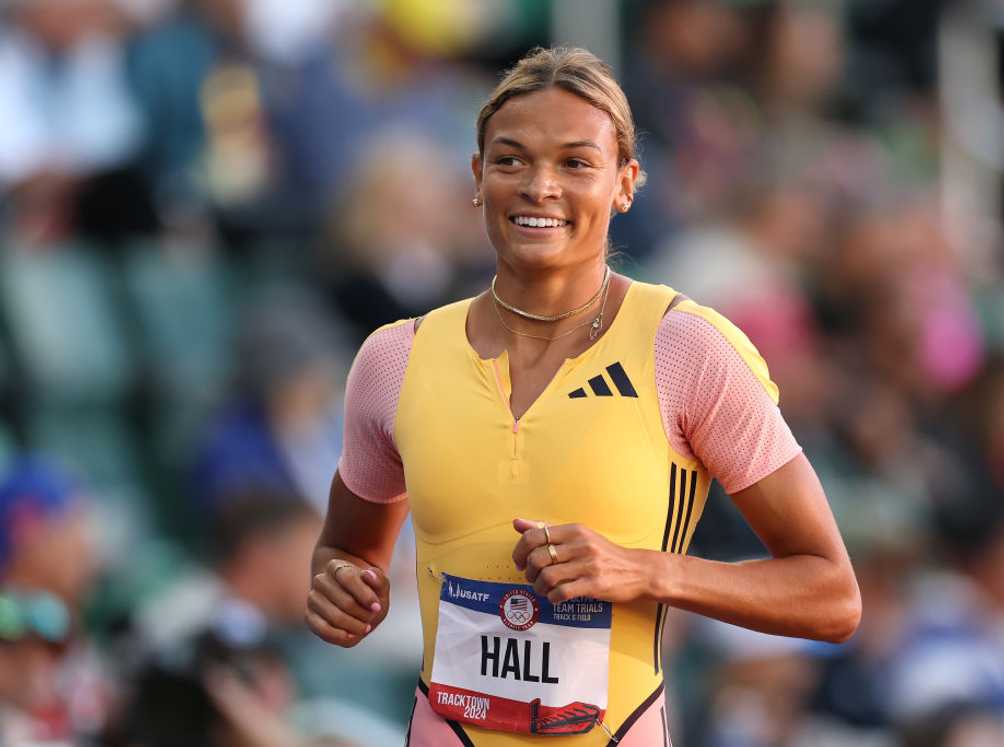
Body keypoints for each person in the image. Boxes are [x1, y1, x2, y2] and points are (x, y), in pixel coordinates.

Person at [307, 46, 860, 745]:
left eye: (575, 163)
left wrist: (647, 570)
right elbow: (347, 553)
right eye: (511, 160)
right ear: (477, 178)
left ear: (625, 183)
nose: (540, 185)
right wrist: (340, 586)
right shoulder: (396, 359)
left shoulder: (683, 348)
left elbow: (832, 594)